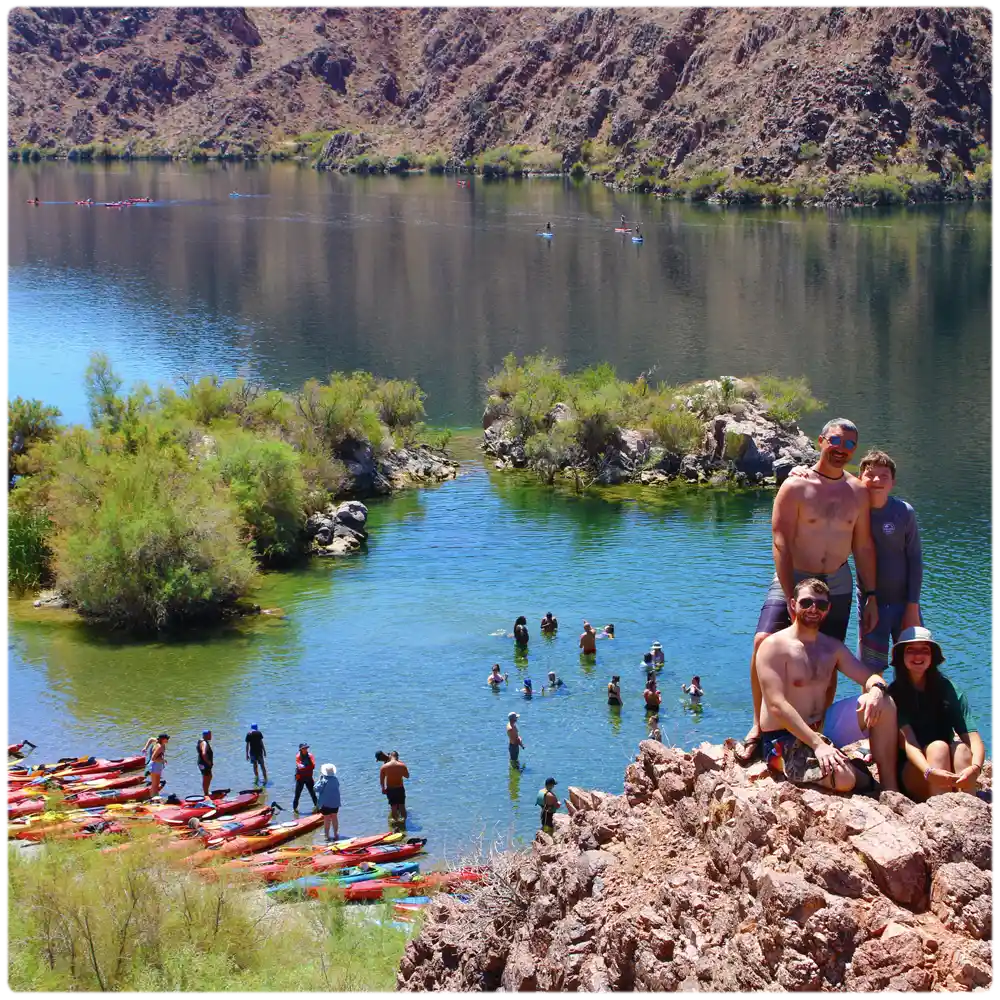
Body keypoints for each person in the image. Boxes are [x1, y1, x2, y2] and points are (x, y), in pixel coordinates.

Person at [735, 418, 878, 764]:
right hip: (796, 577)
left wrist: (870, 594)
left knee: (826, 658)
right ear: (820, 440)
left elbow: (863, 545)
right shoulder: (795, 486)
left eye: (849, 445)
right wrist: (788, 592)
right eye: (835, 441)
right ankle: (758, 726)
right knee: (761, 642)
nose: (841, 450)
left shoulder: (857, 491)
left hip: (838, 581)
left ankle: (815, 728)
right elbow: (780, 541)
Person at [756, 577, 899, 793]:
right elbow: (776, 705)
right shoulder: (773, 647)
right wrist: (818, 745)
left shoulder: (832, 647)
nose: (814, 609)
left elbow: (870, 678)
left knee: (886, 704)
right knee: (844, 779)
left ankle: (891, 789)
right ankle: (858, 774)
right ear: (793, 604)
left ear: (828, 609)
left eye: (821, 605)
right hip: (782, 739)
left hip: (823, 726)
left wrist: (877, 691)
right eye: (806, 602)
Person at [824, 450, 924, 745]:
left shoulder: (903, 512)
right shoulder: (854, 512)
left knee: (916, 667)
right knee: (872, 671)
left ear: (893, 482)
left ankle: (918, 729)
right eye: (870, 474)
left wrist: (912, 607)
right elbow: (826, 480)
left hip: (905, 603)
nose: (877, 480)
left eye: (884, 475)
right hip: (872, 604)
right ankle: (873, 737)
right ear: (860, 477)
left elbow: (915, 560)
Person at [889, 627, 984, 801]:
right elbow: (909, 743)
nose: (918, 656)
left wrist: (976, 768)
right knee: (938, 748)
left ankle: (967, 807)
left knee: (962, 749)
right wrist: (929, 771)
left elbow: (972, 737)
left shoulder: (948, 689)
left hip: (946, 769)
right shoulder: (895, 694)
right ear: (901, 656)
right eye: (911, 650)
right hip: (916, 771)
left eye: (924, 650)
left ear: (932, 656)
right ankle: (942, 812)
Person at [380, 750, 410, 825]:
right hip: (400, 788)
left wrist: (383, 788)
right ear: (397, 756)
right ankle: (403, 822)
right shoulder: (402, 765)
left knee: (393, 806)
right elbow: (407, 776)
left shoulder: (384, 766)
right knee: (402, 806)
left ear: (390, 756)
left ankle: (396, 823)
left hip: (390, 789)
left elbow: (382, 780)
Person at [316, 763, 342, 841]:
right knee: (334, 818)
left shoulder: (323, 780)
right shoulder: (335, 779)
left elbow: (316, 789)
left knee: (327, 819)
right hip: (335, 803)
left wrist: (319, 780)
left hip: (326, 803)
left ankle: (327, 836)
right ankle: (336, 834)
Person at [293, 743, 318, 812]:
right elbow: (299, 767)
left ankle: (317, 808)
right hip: (300, 778)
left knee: (313, 793)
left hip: (309, 778)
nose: (305, 749)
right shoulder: (298, 756)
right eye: (304, 748)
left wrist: (306, 764)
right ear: (300, 749)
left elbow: (313, 766)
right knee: (297, 795)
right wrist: (306, 766)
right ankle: (295, 809)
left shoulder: (310, 756)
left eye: (306, 748)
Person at [196, 730, 213, 797]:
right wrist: (208, 762)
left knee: (208, 776)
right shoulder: (204, 743)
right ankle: (206, 794)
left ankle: (206, 792)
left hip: (201, 762)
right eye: (210, 735)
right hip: (204, 763)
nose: (211, 736)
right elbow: (204, 753)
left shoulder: (200, 741)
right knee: (207, 777)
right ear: (206, 735)